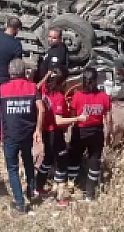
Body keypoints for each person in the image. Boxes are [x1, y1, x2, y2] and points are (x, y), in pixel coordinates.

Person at [0, 58, 45, 213]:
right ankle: (31, 190)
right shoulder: (32, 88)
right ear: (24, 72)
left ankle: (20, 203)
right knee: (28, 162)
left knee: (13, 168)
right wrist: (38, 130)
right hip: (27, 134)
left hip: (10, 136)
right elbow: (41, 109)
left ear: (9, 72)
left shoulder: (3, 89)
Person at [36, 68, 80, 206]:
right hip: (55, 133)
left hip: (45, 131)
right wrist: (77, 118)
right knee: (61, 162)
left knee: (48, 159)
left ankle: (38, 187)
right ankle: (61, 198)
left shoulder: (44, 90)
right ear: (62, 82)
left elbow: (37, 86)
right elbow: (59, 120)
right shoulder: (59, 97)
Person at [67, 67, 112, 201]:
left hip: (80, 132)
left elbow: (73, 116)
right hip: (96, 133)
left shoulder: (77, 96)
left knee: (74, 159)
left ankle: (71, 187)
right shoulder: (104, 97)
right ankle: (90, 194)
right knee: (94, 162)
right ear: (96, 80)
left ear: (83, 81)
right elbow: (108, 119)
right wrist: (108, 133)